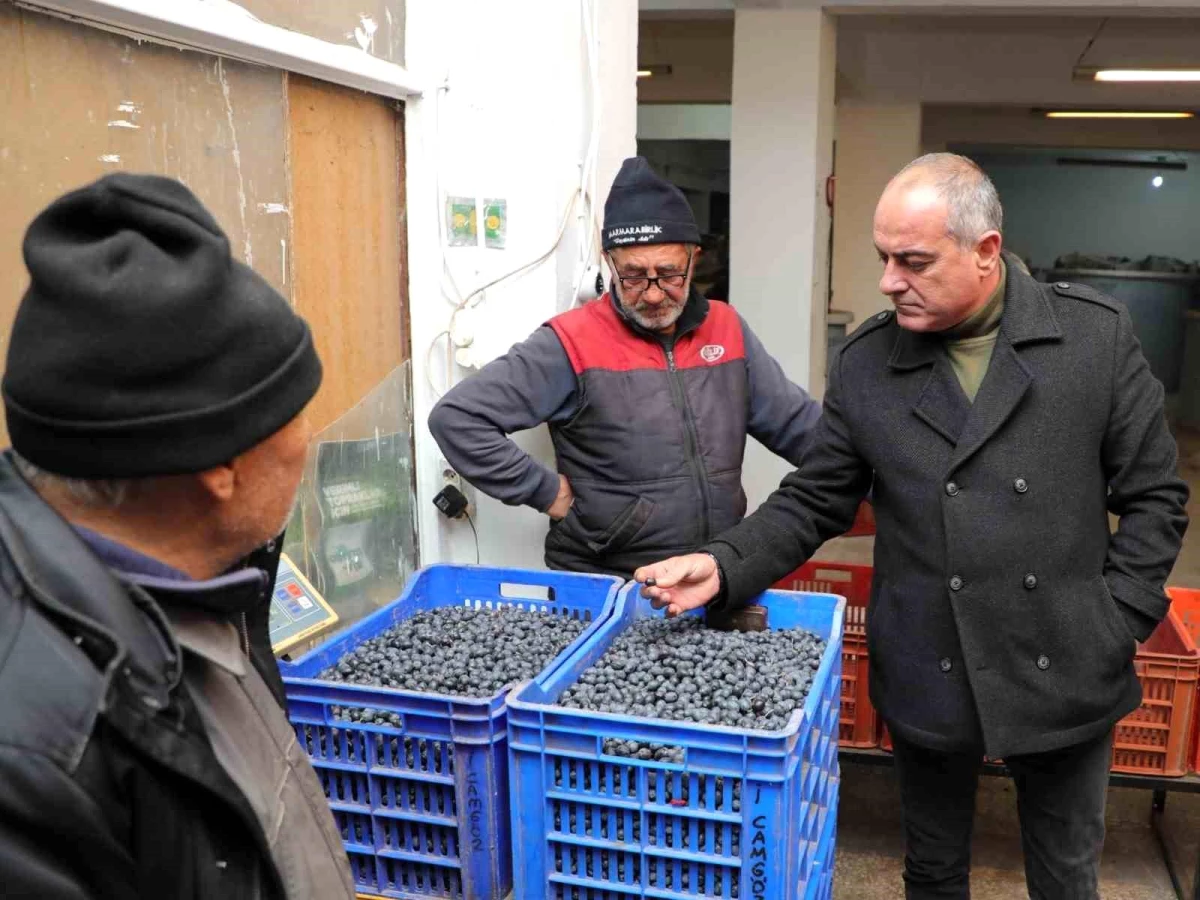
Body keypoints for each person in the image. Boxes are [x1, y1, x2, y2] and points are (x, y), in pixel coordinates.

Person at [635, 153, 1188, 899]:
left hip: (1065, 654)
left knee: (1064, 874)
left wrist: (1115, 620)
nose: (890, 280)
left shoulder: (1092, 340)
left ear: (985, 251)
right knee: (931, 872)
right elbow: (816, 498)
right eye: (883, 258)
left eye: (914, 260)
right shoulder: (870, 361)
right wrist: (724, 563)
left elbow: (1156, 495)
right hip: (931, 654)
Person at [0, 174, 354, 899]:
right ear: (221, 465)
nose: (308, 438)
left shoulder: (199, 584)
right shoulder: (35, 751)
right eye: (297, 409)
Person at [429, 156, 822, 576]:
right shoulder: (570, 342)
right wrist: (548, 493)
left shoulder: (726, 329)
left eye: (669, 273)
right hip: (609, 579)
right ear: (608, 261)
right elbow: (457, 418)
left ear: (695, 258)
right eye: (633, 275)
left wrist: (880, 474)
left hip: (709, 571)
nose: (653, 295)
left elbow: (799, 426)